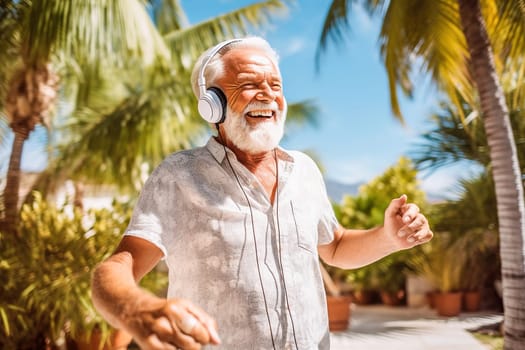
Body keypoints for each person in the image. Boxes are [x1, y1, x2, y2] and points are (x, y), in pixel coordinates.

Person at [91, 36, 433, 350]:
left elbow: (336, 246)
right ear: (212, 104)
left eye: (275, 85)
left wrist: (389, 237)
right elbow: (118, 267)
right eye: (250, 85)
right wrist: (135, 308)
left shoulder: (304, 171)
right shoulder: (179, 175)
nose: (268, 94)